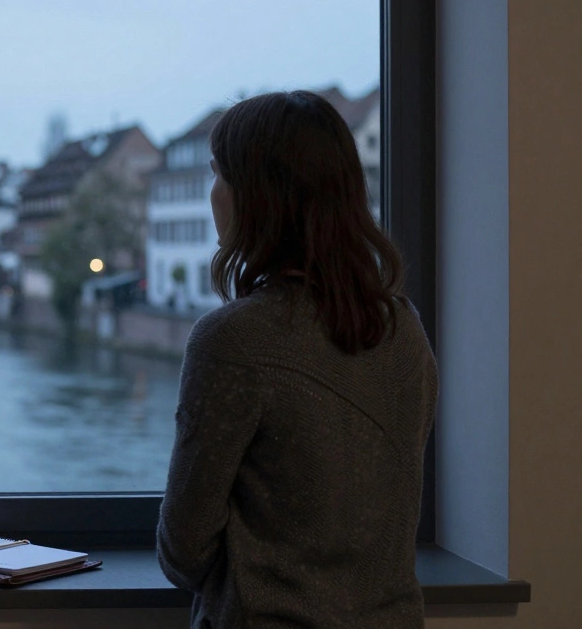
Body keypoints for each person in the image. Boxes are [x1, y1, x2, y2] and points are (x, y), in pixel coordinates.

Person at [156, 91, 437, 628]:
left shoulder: (234, 339)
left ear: (257, 194)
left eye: (219, 175)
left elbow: (183, 553)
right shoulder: (405, 330)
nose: (212, 194)